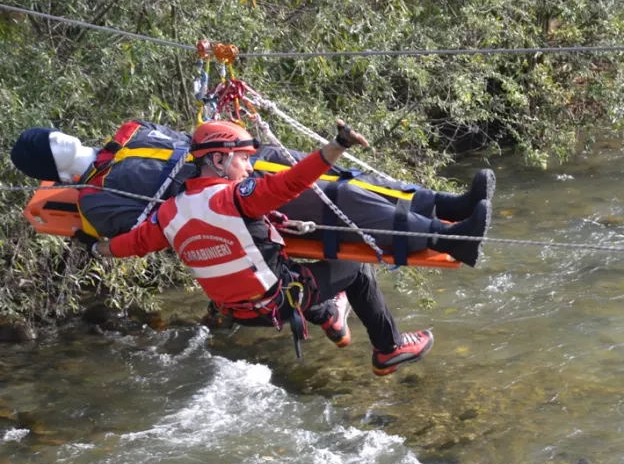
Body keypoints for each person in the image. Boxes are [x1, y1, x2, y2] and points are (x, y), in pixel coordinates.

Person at [90, 120, 434, 375]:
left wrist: (96, 250)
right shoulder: (235, 197)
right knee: (357, 269)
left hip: (237, 311)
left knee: (286, 260)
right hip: (278, 305)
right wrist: (337, 145)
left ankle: (329, 314)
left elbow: (131, 245)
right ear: (220, 161)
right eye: (243, 159)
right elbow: (294, 181)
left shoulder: (169, 212)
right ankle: (388, 349)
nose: (250, 166)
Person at [10, 121, 493, 266]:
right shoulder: (97, 200)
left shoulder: (128, 135)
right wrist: (96, 245)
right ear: (50, 166)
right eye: (54, 148)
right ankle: (449, 239)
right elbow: (151, 233)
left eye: (59, 136)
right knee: (342, 205)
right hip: (227, 203)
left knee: (345, 180)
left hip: (234, 165)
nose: (65, 143)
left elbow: (185, 140)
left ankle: (448, 207)